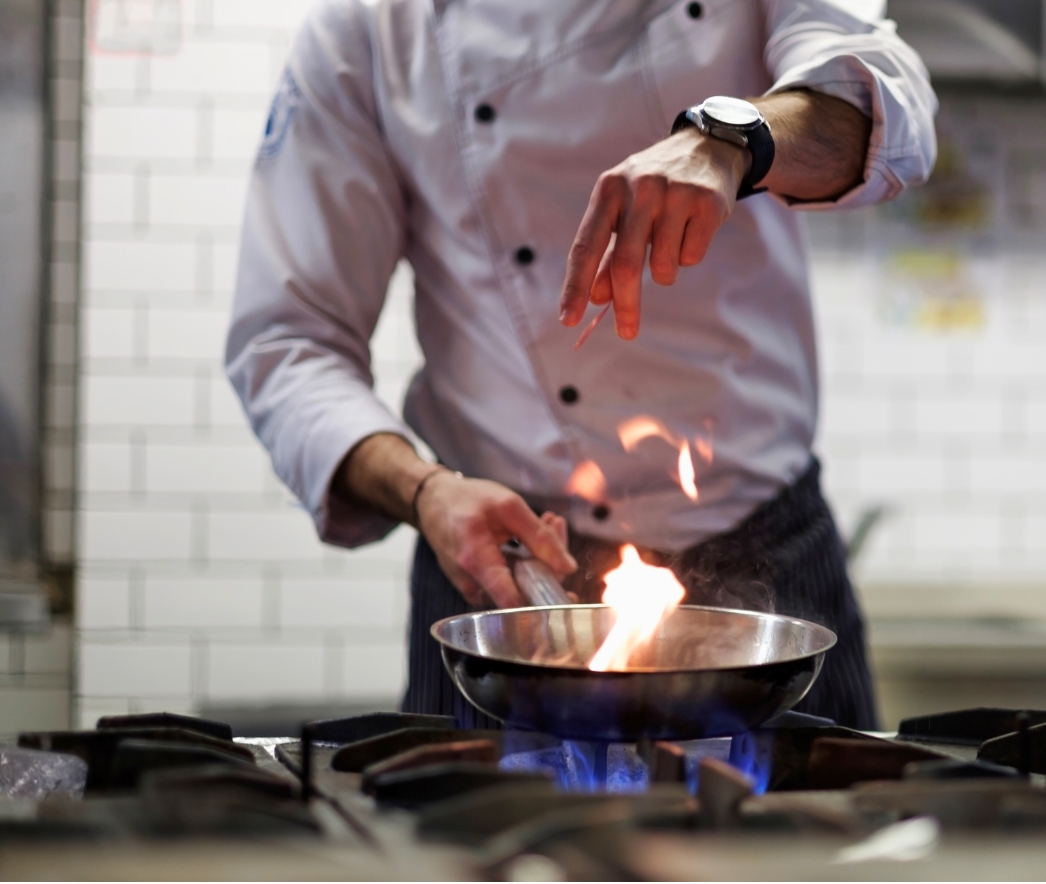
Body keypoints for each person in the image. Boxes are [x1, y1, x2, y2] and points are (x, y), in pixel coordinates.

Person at [226, 0, 937, 730]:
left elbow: (894, 106)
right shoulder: (371, 30)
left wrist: (732, 138)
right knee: (470, 844)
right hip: (506, 580)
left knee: (822, 841)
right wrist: (425, 492)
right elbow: (289, 341)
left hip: (768, 565)